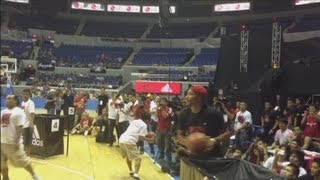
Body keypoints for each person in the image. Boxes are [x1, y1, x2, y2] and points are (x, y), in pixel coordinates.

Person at [176, 85, 230, 158]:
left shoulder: (214, 114)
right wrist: (190, 144)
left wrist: (214, 140)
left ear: (199, 98)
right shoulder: (184, 113)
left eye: (191, 94)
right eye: (187, 94)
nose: (186, 97)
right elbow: (179, 135)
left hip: (211, 157)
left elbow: (227, 133)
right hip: (191, 157)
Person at [1, 94, 40, 180]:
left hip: (13, 143)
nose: (7, 100)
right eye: (7, 98)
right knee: (2, 163)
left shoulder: (18, 112)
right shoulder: (3, 112)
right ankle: (6, 178)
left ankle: (34, 175)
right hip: (2, 142)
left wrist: (16, 142)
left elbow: (19, 128)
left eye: (9, 98)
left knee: (22, 162)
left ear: (15, 101)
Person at [119, 105, 155, 180]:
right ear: (148, 120)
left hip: (122, 139)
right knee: (138, 159)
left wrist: (147, 136)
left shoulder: (134, 121)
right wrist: (150, 140)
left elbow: (136, 133)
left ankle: (131, 171)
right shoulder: (144, 125)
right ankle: (136, 174)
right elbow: (140, 137)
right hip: (129, 141)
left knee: (129, 157)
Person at [21, 88, 35, 156]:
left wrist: (31, 124)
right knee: (24, 142)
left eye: (26, 94)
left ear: (29, 95)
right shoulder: (23, 103)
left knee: (28, 142)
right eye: (24, 94)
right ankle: (24, 155)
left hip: (28, 125)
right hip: (23, 125)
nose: (25, 95)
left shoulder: (31, 103)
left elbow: (32, 114)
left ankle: (27, 157)